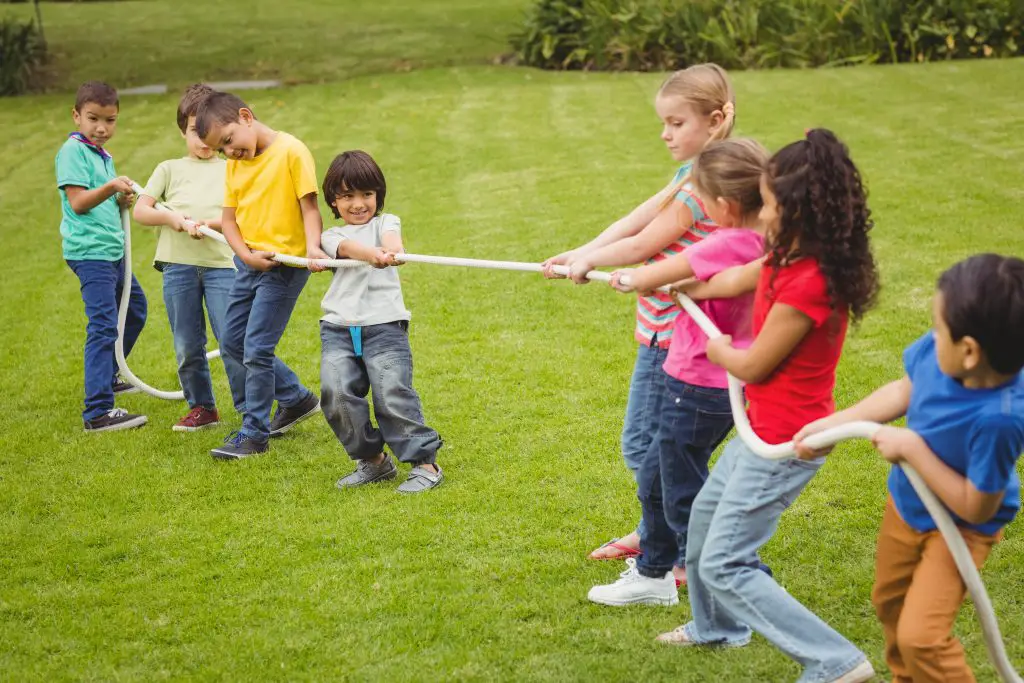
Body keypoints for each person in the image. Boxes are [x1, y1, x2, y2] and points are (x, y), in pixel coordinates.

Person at [658, 129, 879, 683]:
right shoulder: (786, 255)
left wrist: (718, 349)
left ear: (798, 210)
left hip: (784, 442)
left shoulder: (812, 281)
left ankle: (837, 662)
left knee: (725, 561)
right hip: (760, 427)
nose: (762, 213)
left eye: (771, 203)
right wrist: (688, 286)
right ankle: (717, 629)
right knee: (705, 524)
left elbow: (755, 364)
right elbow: (736, 277)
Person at [796, 253, 1024, 683]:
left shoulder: (1001, 418)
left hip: (960, 529)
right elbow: (904, 389)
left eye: (939, 328)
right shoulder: (942, 355)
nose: (932, 335)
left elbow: (976, 508)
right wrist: (832, 425)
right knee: (891, 605)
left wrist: (914, 449)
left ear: (971, 350)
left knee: (921, 638)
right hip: (908, 506)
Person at [542, 63, 735, 566]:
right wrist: (578, 252)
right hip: (657, 333)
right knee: (651, 448)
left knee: (649, 448)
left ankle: (678, 549)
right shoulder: (689, 175)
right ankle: (658, 533)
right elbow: (637, 218)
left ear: (715, 121)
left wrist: (589, 262)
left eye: (677, 123)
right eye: (664, 122)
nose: (665, 133)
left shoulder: (703, 190)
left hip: (675, 340)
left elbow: (645, 244)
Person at [587, 138, 770, 606]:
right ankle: (653, 573)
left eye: (706, 203)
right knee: (656, 476)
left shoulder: (726, 241)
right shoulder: (765, 241)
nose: (702, 211)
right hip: (712, 385)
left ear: (726, 206)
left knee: (678, 486)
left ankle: (733, 568)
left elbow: (657, 269)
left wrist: (620, 275)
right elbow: (698, 277)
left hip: (696, 386)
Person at [194, 91, 328, 460]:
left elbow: (310, 208)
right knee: (232, 341)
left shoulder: (292, 151)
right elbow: (229, 220)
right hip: (249, 264)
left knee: (256, 348)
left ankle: (254, 433)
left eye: (229, 141)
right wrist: (246, 257)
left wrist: (313, 248)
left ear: (246, 116)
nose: (229, 153)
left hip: (284, 266)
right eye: (221, 150)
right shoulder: (235, 167)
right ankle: (296, 400)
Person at [318, 151, 444, 494]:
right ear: (333, 200)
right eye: (347, 196)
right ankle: (374, 462)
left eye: (366, 195)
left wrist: (389, 253)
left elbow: (392, 242)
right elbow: (344, 248)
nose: (358, 204)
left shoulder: (387, 223)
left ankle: (425, 464)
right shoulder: (330, 236)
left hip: (385, 325)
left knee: (391, 392)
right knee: (336, 391)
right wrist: (369, 255)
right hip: (338, 327)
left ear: (378, 195)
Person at [133, 83, 243, 432]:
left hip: (223, 265)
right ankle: (202, 407)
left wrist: (210, 224)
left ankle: (250, 410)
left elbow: (242, 218)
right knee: (186, 343)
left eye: (210, 132)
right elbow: (141, 211)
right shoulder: (168, 169)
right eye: (196, 131)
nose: (203, 139)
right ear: (184, 129)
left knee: (232, 339)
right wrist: (173, 219)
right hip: (178, 267)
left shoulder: (232, 169)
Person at [57, 80, 148, 432]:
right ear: (76, 115)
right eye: (93, 118)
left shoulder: (100, 154)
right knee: (103, 326)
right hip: (91, 252)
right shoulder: (72, 151)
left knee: (135, 310)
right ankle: (97, 411)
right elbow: (78, 202)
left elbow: (95, 197)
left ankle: (108, 375)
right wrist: (111, 187)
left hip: (111, 251)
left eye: (110, 121)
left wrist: (116, 199)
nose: (102, 128)